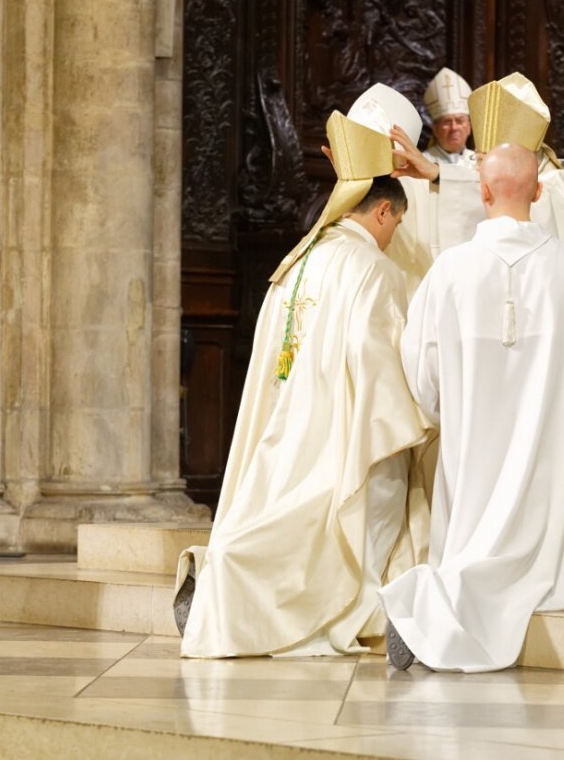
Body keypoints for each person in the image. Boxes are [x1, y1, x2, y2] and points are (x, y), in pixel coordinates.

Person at [178, 84, 431, 658]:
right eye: (395, 225)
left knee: (284, 514)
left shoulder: (298, 262)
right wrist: (424, 414)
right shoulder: (374, 269)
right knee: (380, 503)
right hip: (346, 430)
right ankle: (363, 613)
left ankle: (220, 581)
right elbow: (381, 371)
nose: (394, 240)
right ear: (385, 210)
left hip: (288, 430)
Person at [379, 143, 564, 673]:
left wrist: (450, 415)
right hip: (543, 458)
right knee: (538, 570)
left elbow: (422, 367)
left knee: (466, 541)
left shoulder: (450, 269)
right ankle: (439, 607)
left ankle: (435, 603)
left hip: (470, 449)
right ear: (537, 191)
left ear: (482, 191)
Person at [387, 72, 564, 295]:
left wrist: (438, 175)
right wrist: (437, 175)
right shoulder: (532, 178)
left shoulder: (555, 185)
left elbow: (506, 194)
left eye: (485, 159)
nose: (482, 171)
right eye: (480, 159)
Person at [421, 68, 475, 168]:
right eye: (447, 122)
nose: (454, 127)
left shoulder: (481, 163)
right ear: (435, 129)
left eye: (459, 121)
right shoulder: (421, 164)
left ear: (469, 127)